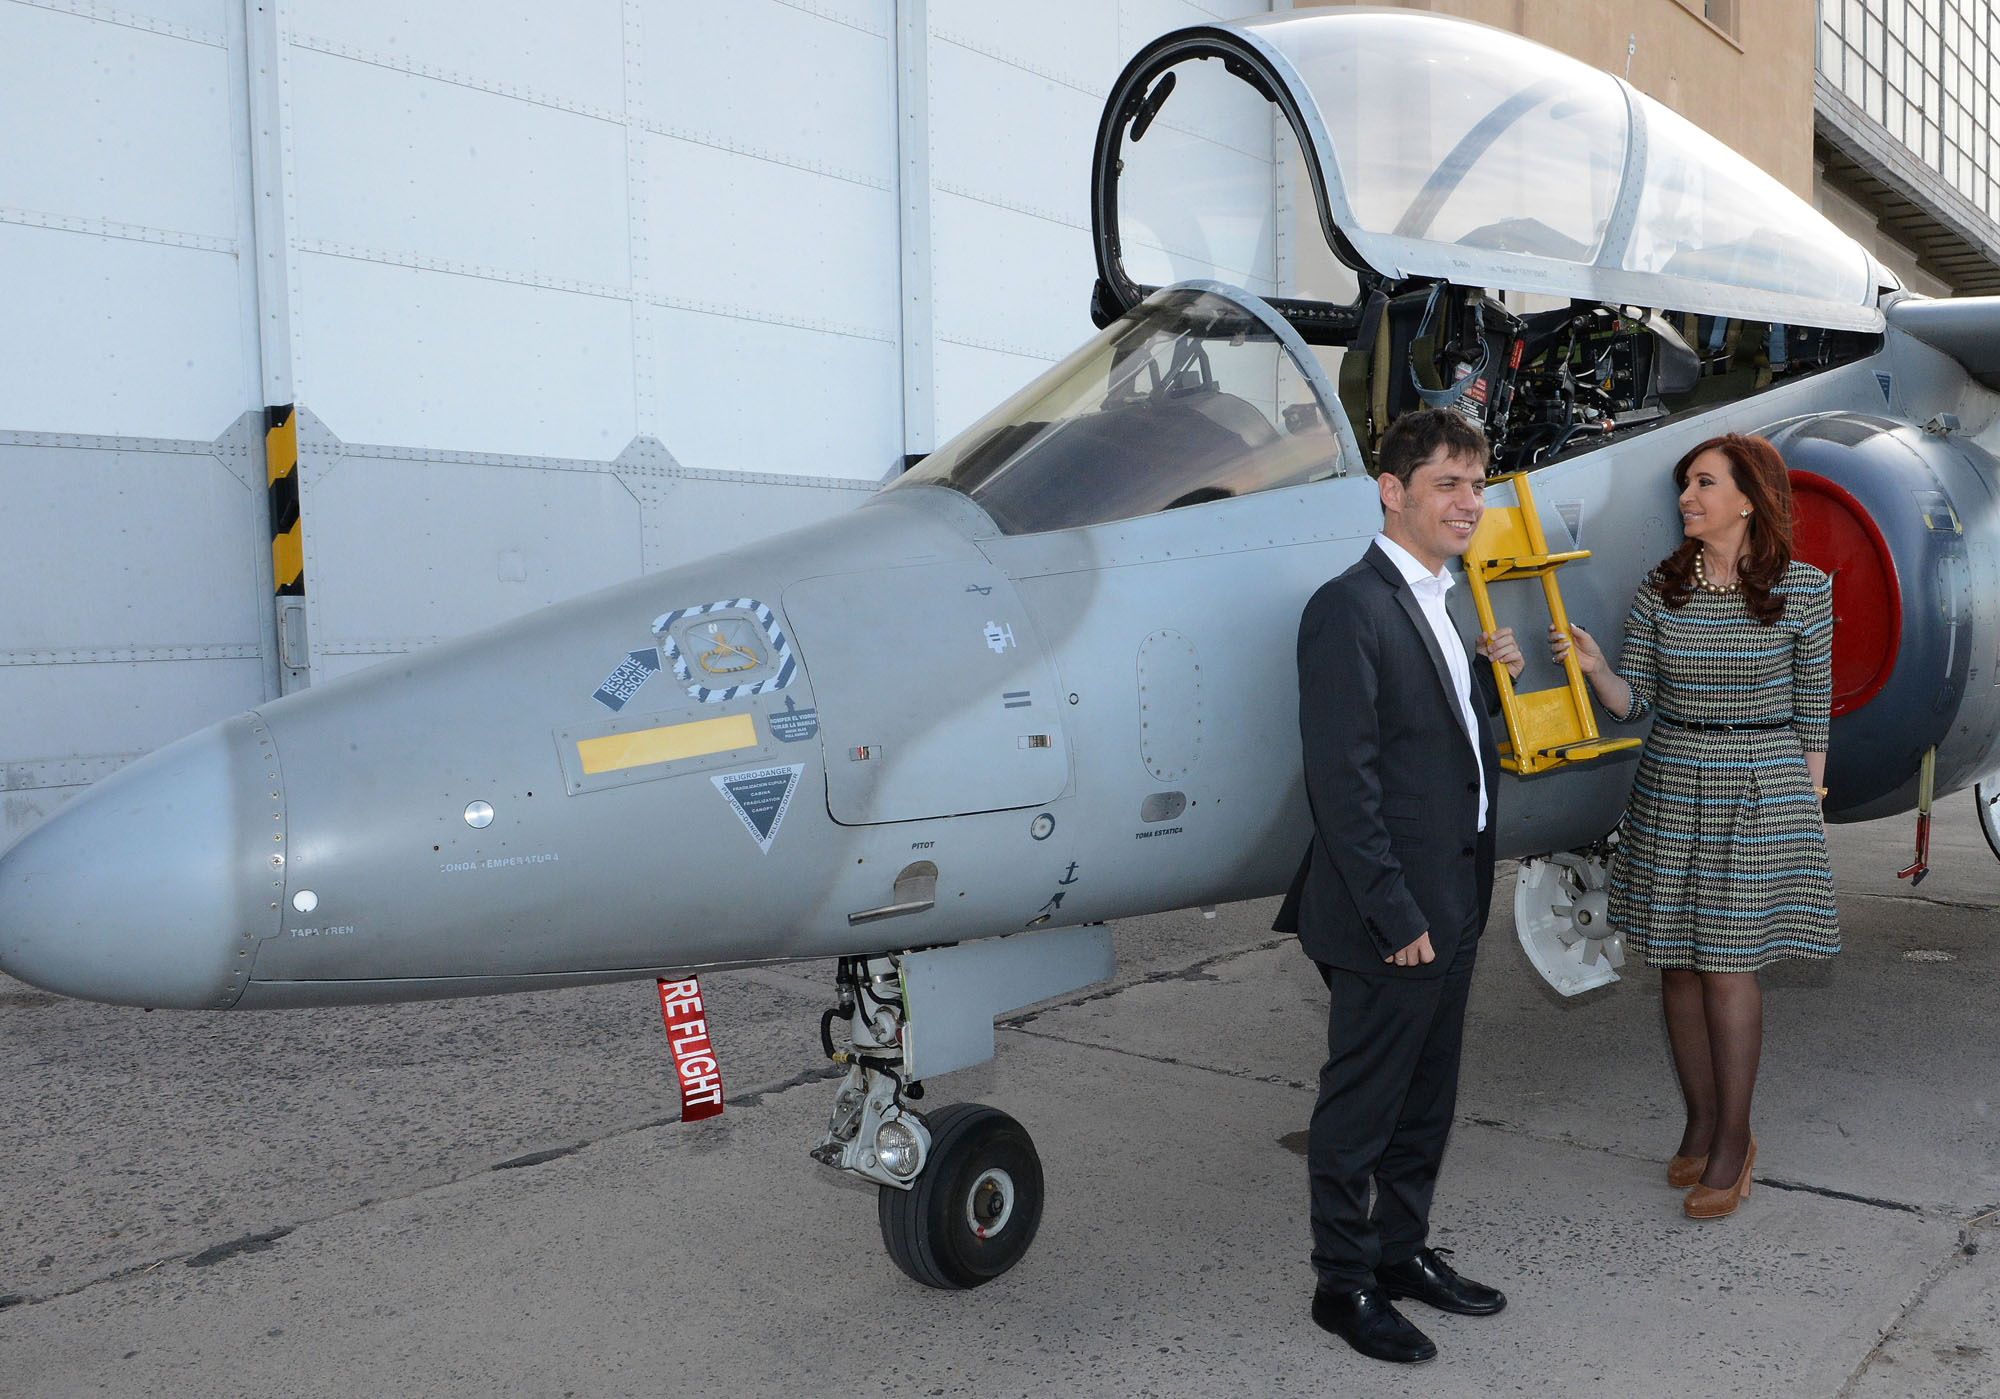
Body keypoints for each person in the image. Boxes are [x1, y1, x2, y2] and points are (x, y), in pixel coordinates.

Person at [1275, 407, 1523, 1365]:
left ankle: (1400, 1250)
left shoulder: (1439, 599)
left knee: (1427, 1100)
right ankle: (1342, 1284)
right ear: (1392, 490)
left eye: (1477, 484)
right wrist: (1394, 913)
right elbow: (1344, 783)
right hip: (1395, 914)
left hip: (1451, 898)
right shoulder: (1350, 606)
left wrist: (1484, 683)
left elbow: (1432, 744)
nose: (1469, 502)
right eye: (1447, 483)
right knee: (1362, 1109)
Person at [1554, 433, 1837, 1220]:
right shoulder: (1662, 587)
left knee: (1727, 964)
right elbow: (1635, 701)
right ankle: (1703, 1120)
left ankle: (1735, 1142)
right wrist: (1595, 667)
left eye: (1704, 482)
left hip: (1760, 789)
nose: (1687, 496)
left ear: (1749, 498)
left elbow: (1813, 713)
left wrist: (1808, 808)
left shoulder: (1804, 590)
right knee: (1677, 963)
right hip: (1673, 780)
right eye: (1685, 483)